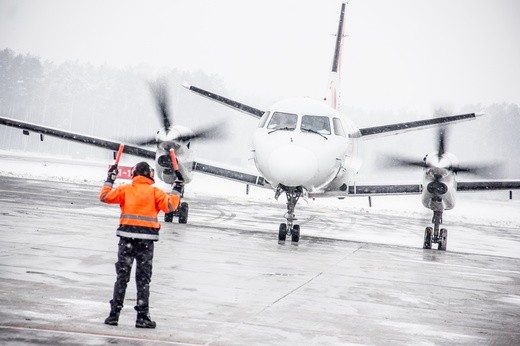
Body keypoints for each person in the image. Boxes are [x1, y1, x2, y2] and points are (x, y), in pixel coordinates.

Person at [99, 161, 180, 328]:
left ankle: (114, 315)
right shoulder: (155, 192)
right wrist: (178, 188)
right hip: (146, 242)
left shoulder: (125, 190)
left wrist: (110, 179)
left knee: (122, 278)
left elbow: (105, 197)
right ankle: (142, 317)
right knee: (143, 280)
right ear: (149, 175)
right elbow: (170, 205)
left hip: (126, 239)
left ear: (134, 174)